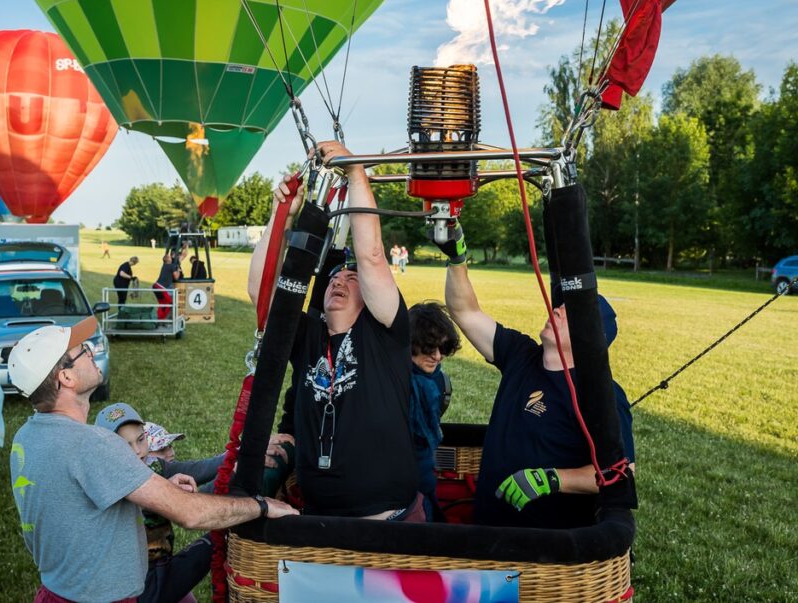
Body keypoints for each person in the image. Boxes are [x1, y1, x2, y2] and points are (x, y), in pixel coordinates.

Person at [7, 317, 297, 603]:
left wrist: (158, 488)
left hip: (54, 592)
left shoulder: (27, 437)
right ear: (66, 378)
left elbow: (75, 507)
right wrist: (262, 506)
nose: (92, 351)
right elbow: (191, 514)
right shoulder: (91, 444)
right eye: (83, 350)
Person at [248, 140, 420, 520]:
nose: (340, 280)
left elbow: (371, 257)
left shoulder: (385, 334)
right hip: (320, 523)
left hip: (388, 521)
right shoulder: (308, 338)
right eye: (334, 279)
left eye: (351, 279)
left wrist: (355, 172)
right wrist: (281, 218)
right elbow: (262, 293)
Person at [437, 223, 636, 529]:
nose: (556, 310)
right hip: (485, 531)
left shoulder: (602, 393)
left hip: (544, 544)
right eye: (560, 305)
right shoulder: (521, 354)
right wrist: (457, 258)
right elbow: (465, 312)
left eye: (569, 310)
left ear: (590, 335)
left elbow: (623, 472)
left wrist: (554, 479)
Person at [95, 404, 213, 603]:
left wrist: (238, 457)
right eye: (125, 445)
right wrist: (165, 491)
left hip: (161, 566)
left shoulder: (153, 466)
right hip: (133, 585)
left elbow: (200, 469)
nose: (137, 451)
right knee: (218, 540)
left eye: (141, 439)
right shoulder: (102, 484)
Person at [408, 301, 460, 521]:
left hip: (426, 484)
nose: (437, 356)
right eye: (429, 348)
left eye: (444, 348)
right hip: (396, 493)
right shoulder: (393, 382)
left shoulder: (439, 382)